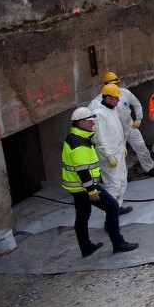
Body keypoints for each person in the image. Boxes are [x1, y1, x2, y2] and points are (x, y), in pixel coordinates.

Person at [62, 107, 139, 257]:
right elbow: (83, 170)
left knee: (82, 216)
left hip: (77, 188)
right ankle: (118, 243)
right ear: (82, 123)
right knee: (112, 206)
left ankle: (86, 248)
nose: (93, 124)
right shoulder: (80, 144)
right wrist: (91, 191)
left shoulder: (73, 137)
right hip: (85, 187)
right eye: (91, 121)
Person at [90, 72, 154, 177]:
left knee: (141, 148)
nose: (114, 86)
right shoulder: (99, 101)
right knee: (119, 155)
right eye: (111, 84)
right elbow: (91, 114)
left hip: (130, 127)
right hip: (116, 133)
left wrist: (139, 119)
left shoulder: (125, 93)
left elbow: (136, 104)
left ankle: (149, 168)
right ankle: (124, 175)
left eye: (115, 84)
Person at [92, 83, 132, 214]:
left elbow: (116, 130)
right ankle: (109, 217)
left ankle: (117, 207)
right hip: (109, 157)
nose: (118, 100)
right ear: (108, 98)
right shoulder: (98, 114)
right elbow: (98, 138)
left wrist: (122, 147)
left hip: (118, 152)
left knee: (122, 181)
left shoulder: (112, 109)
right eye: (116, 98)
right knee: (113, 185)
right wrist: (109, 156)